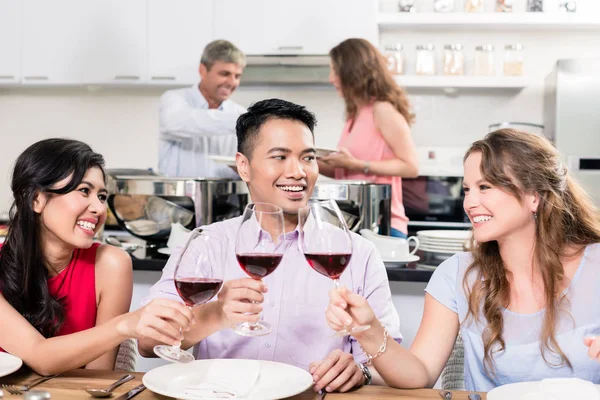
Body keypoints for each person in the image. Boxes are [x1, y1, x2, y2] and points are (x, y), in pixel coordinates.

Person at [139, 99, 402, 393]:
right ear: (243, 166)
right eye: (280, 157)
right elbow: (149, 343)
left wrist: (361, 372)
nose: (298, 172)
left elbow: (389, 365)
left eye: (308, 157)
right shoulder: (206, 244)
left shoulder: (358, 253)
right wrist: (216, 313)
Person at [325, 129, 600, 392]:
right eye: (467, 189)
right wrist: (369, 330)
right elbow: (419, 373)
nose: (469, 203)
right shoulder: (456, 274)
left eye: (485, 187)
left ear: (534, 197)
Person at [0, 138, 193, 375]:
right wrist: (124, 325)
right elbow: (40, 355)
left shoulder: (110, 264)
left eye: (101, 196)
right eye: (84, 191)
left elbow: (98, 378)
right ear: (36, 199)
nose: (100, 209)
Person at [318, 38, 419, 238]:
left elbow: (411, 166)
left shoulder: (382, 110)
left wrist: (357, 164)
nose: (331, 78)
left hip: (384, 225)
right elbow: (344, 170)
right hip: (357, 222)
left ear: (353, 72)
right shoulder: (355, 114)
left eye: (335, 71)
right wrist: (303, 158)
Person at [158, 39, 246, 178]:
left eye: (237, 76)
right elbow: (175, 123)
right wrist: (242, 120)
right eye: (224, 74)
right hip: (178, 197)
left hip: (225, 196)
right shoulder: (175, 99)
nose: (232, 82)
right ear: (203, 70)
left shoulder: (239, 112)